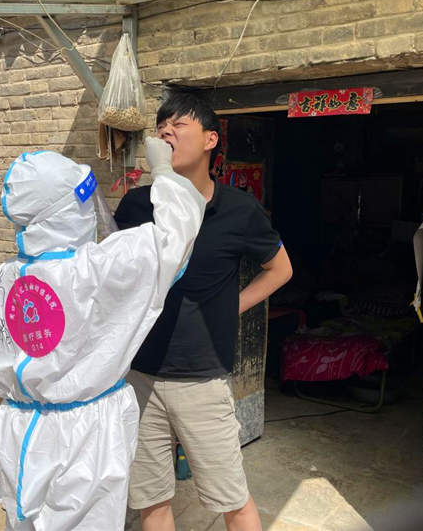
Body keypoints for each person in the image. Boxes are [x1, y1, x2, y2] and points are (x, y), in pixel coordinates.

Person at [0, 137, 205, 530]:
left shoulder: (3, 278)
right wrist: (165, 172)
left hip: (19, 430)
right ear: (68, 210)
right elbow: (176, 234)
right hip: (86, 436)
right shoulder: (99, 268)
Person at [114, 93, 293, 531]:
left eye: (178, 125)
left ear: (211, 139)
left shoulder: (239, 210)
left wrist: (233, 305)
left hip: (202, 378)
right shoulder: (136, 206)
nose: (166, 133)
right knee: (151, 500)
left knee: (232, 499)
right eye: (161, 128)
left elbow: (280, 269)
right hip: (138, 376)